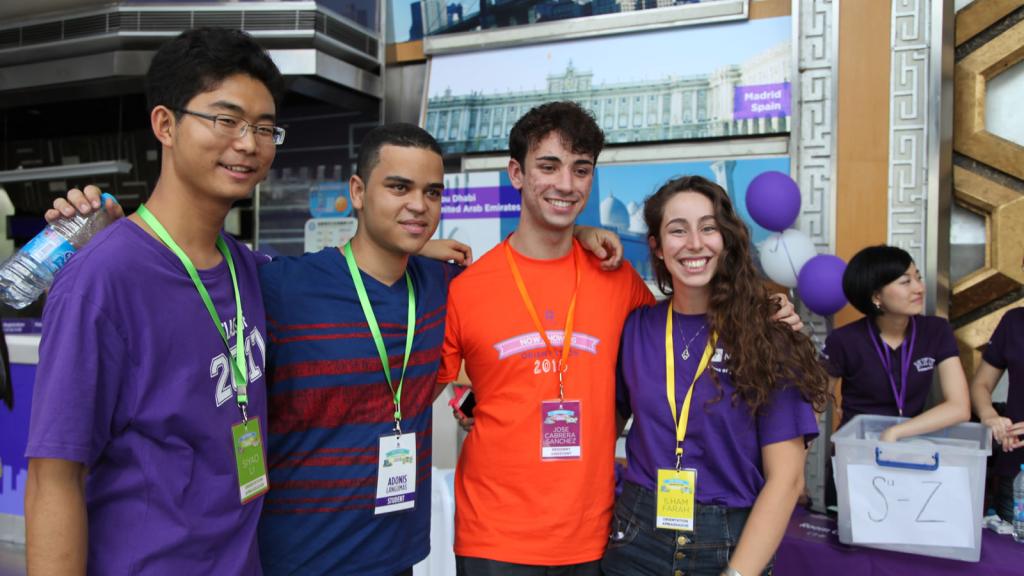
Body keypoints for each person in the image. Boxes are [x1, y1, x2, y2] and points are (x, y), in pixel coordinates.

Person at [50, 121, 622, 576]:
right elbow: (190, 262)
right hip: (298, 556)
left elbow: (519, 288)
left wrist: (583, 240)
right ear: (357, 192)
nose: (418, 205)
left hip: (398, 553)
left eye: (431, 192)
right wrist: (117, 236)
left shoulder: (448, 288)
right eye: (398, 187)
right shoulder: (281, 284)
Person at [438, 102, 803, 575]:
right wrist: (476, 408)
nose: (566, 184)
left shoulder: (619, 284)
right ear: (516, 173)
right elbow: (451, 381)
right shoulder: (467, 288)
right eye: (548, 166)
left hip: (598, 536)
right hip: (497, 535)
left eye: (581, 169)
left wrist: (770, 310)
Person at [25, 28, 283, 574]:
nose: (248, 143)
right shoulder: (102, 279)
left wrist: (410, 240)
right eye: (226, 119)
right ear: (166, 124)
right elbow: (55, 478)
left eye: (264, 128)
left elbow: (343, 274)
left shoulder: (246, 267)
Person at [601, 175, 828, 576]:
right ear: (655, 245)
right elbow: (604, 427)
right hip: (636, 537)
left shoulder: (769, 332)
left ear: (727, 240)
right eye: (677, 230)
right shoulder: (636, 328)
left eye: (708, 228)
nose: (694, 243)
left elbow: (787, 481)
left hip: (730, 543)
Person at [823, 245, 970, 442]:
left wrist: (896, 432)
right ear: (877, 297)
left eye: (918, 278)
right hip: (857, 453)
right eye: (905, 282)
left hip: (909, 448)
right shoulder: (843, 340)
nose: (919, 288)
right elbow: (813, 405)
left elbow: (959, 407)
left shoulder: (936, 331)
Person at [970, 301, 1024, 522]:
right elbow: (980, 384)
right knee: (1011, 553)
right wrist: (989, 415)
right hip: (1017, 473)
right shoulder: (1014, 321)